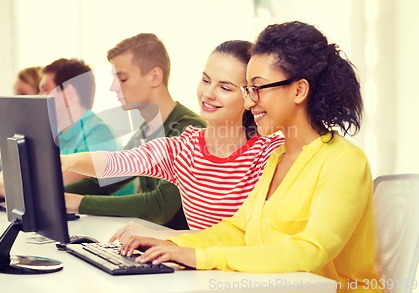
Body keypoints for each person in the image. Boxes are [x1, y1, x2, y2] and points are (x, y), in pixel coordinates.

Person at [117, 21, 382, 292]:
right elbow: (237, 230)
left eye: (257, 88)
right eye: (247, 90)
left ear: (299, 90)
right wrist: (172, 245)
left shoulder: (344, 162)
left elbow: (310, 252)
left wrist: (200, 257)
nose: (248, 101)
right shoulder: (278, 157)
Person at [62, 39, 284, 235]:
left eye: (225, 88)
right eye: (206, 81)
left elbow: (255, 238)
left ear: (249, 96)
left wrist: (167, 238)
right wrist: (68, 161)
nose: (208, 94)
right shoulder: (184, 148)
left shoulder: (269, 152)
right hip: (197, 271)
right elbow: (115, 164)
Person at [64, 33, 206, 230]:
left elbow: (160, 206)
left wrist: (76, 202)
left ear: (155, 76)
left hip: (182, 253)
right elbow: (104, 182)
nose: (114, 87)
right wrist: (52, 198)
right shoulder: (145, 131)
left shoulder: (189, 129)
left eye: (122, 78)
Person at [0, 58, 120, 198]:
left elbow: (61, 184)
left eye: (45, 90)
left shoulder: (99, 134)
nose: (38, 96)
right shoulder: (57, 134)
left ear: (68, 93)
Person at [0, 66, 43, 179]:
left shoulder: (46, 135)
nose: (16, 101)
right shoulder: (21, 129)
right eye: (15, 94)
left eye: (22, 94)